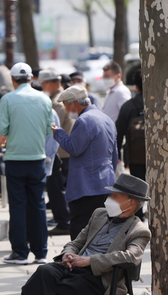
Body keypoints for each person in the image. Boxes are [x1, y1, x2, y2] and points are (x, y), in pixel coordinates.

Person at [22, 173, 151, 295]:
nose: (109, 198)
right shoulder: (99, 215)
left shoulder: (139, 230)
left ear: (130, 204)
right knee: (43, 271)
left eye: (115, 196)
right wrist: (68, 254)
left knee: (61, 288)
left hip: (99, 277)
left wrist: (89, 261)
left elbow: (131, 257)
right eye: (111, 194)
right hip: (75, 266)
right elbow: (77, 242)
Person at [0, 62, 54, 265]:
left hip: (15, 158)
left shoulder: (8, 99)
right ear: (31, 78)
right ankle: (41, 252)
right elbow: (48, 130)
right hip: (37, 157)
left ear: (12, 80)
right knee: (38, 205)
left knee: (18, 206)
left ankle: (20, 252)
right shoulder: (44, 99)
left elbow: (1, 128)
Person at [52, 85, 117, 240]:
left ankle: (79, 263)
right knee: (101, 230)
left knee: (80, 230)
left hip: (86, 185)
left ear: (75, 103)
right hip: (105, 182)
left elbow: (74, 148)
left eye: (67, 106)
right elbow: (114, 154)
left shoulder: (84, 120)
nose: (67, 111)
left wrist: (59, 133)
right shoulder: (106, 118)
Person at [39, 69, 74, 236]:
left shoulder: (57, 103)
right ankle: (64, 219)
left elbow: (52, 128)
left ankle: (64, 221)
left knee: (56, 189)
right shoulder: (58, 99)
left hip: (60, 153)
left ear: (49, 83)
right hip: (63, 151)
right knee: (58, 188)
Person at [116, 70, 146, 219]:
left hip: (136, 156)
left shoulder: (129, 106)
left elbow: (119, 132)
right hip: (161, 158)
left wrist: (117, 154)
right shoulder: (162, 103)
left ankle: (138, 219)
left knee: (137, 192)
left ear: (136, 87)